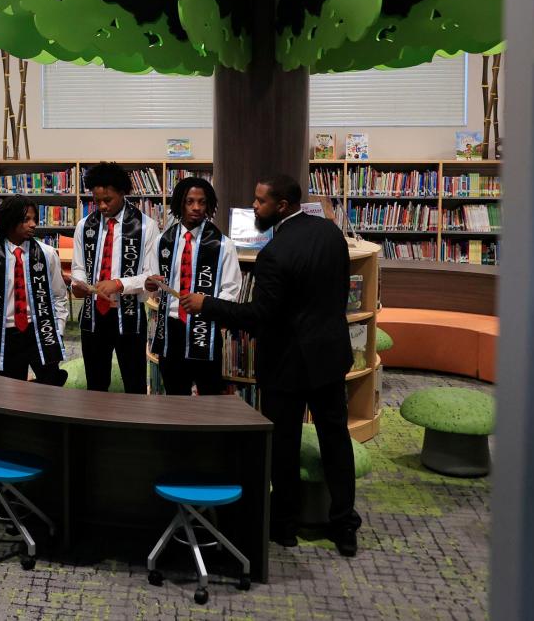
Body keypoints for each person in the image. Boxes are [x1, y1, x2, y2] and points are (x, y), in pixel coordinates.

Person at [181, 174, 362, 556]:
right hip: (329, 357)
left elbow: (260, 316)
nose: (254, 207)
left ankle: (284, 525)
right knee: (336, 440)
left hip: (287, 365)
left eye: (260, 202)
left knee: (284, 444)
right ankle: (344, 525)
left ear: (281, 206)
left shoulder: (273, 255)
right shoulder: (331, 233)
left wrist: (206, 305)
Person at [138, 177, 242, 396]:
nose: (196, 208)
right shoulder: (162, 241)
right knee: (175, 394)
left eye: (202, 202)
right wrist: (150, 283)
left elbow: (231, 292)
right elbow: (154, 283)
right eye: (190, 201)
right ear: (180, 204)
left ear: (209, 205)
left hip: (205, 329)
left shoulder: (223, 245)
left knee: (209, 394)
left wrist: (206, 305)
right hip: (171, 328)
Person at [70, 162, 160, 394]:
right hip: (93, 315)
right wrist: (78, 284)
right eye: (96, 200)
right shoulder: (84, 226)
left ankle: (134, 427)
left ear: (122, 193)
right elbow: (79, 266)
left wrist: (120, 284)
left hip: (128, 314)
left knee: (134, 381)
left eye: (107, 199)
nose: (101, 206)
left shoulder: (146, 227)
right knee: (96, 382)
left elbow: (151, 275)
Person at [0, 196, 69, 385]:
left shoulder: (47, 254)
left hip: (41, 330)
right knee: (10, 393)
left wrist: (59, 332)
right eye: (26, 220)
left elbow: (59, 296)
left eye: (34, 219)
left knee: (51, 387)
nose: (33, 225)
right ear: (10, 222)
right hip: (6, 334)